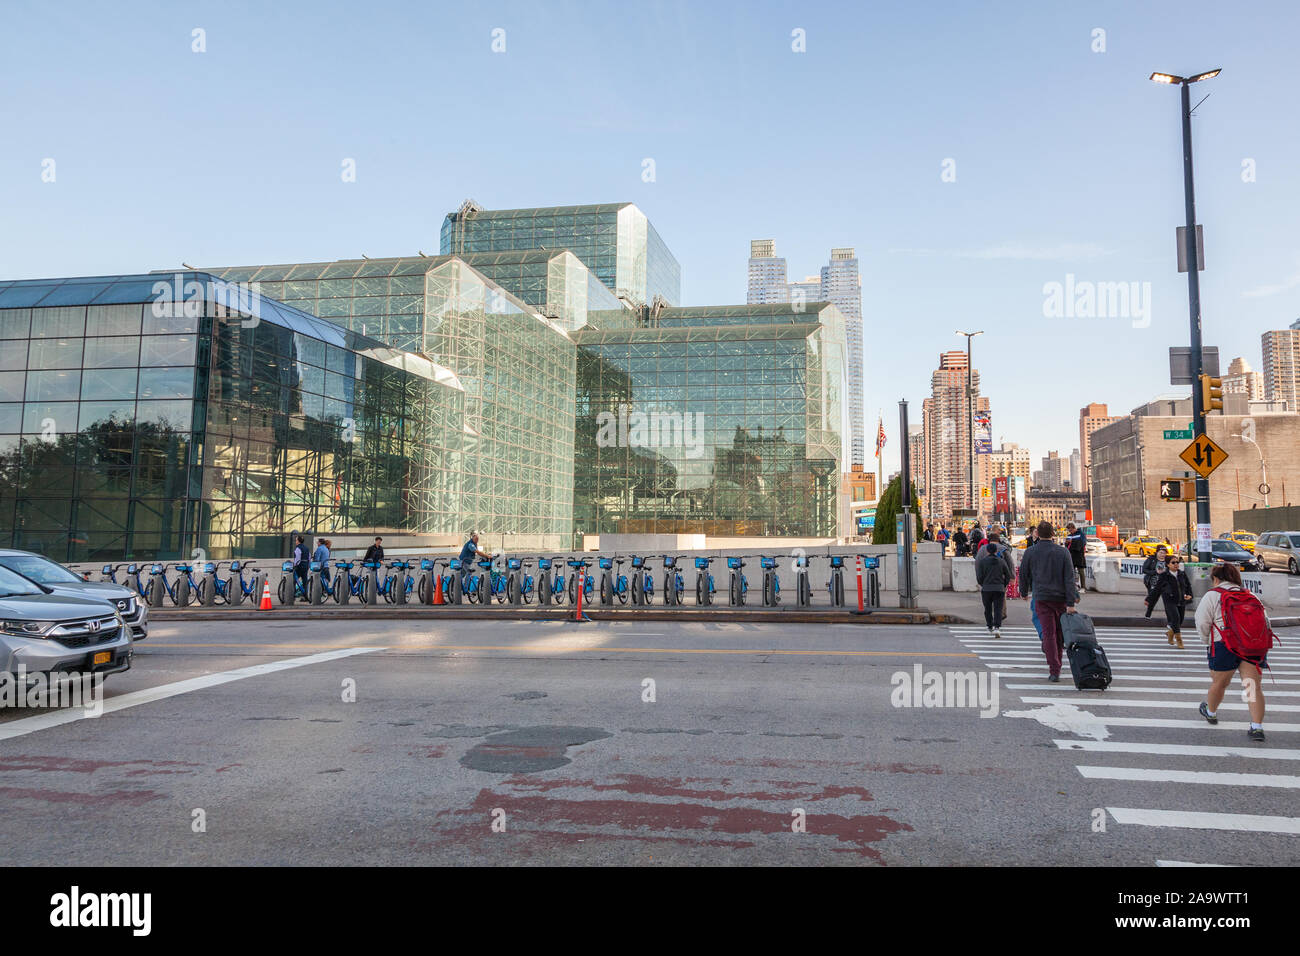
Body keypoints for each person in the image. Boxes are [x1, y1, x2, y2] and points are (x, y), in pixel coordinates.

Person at [1196, 563, 1269, 741]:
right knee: (1252, 686)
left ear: (1216, 578)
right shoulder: (1251, 596)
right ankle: (1256, 727)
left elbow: (1202, 622)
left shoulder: (1213, 595)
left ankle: (1211, 712)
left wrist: (1207, 642)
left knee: (1219, 683)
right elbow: (1265, 622)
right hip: (1251, 646)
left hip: (1224, 645)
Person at [1016, 521, 1080, 682]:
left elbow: (1023, 574)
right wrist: (1071, 602)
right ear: (1053, 534)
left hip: (1042, 597)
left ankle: (1054, 670)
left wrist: (1023, 592)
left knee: (1049, 634)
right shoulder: (1063, 552)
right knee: (1059, 634)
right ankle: (1056, 663)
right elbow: (1069, 578)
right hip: (1061, 599)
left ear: (1037, 534)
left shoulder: (1031, 552)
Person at [1148, 555, 1192, 648]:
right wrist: (1149, 599)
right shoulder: (1164, 575)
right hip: (1169, 600)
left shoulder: (1182, 574)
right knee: (1175, 618)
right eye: (1173, 562)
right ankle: (1179, 640)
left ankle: (1170, 633)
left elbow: (1188, 586)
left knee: (1180, 620)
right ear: (1168, 564)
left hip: (1181, 600)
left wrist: (1189, 594)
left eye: (1177, 562)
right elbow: (1157, 589)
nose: (1176, 564)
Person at [975, 540, 1012, 638]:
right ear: (996, 551)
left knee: (987, 609)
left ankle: (989, 626)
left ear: (987, 551)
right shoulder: (1001, 561)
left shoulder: (983, 562)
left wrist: (983, 584)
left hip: (986, 589)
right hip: (999, 588)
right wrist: (1004, 584)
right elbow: (1007, 575)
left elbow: (979, 576)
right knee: (998, 609)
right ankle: (997, 627)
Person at [1141, 545, 1169, 617]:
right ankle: (1148, 614)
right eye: (1161, 553)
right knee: (1153, 598)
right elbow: (1144, 570)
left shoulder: (1168, 560)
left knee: (1167, 600)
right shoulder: (1151, 559)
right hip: (1152, 582)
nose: (1163, 555)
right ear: (1157, 552)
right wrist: (1155, 572)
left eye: (1164, 553)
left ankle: (1170, 616)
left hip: (1165, 583)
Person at [1065, 522, 1087, 591]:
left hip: (1079, 555)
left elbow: (1083, 543)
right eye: (1069, 530)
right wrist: (1067, 543)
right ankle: (1073, 586)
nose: (1070, 532)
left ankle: (1083, 587)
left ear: (1074, 528)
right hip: (1071, 555)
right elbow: (1066, 546)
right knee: (1071, 572)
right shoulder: (1069, 535)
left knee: (1081, 571)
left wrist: (1072, 542)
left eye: (1071, 530)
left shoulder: (1081, 534)